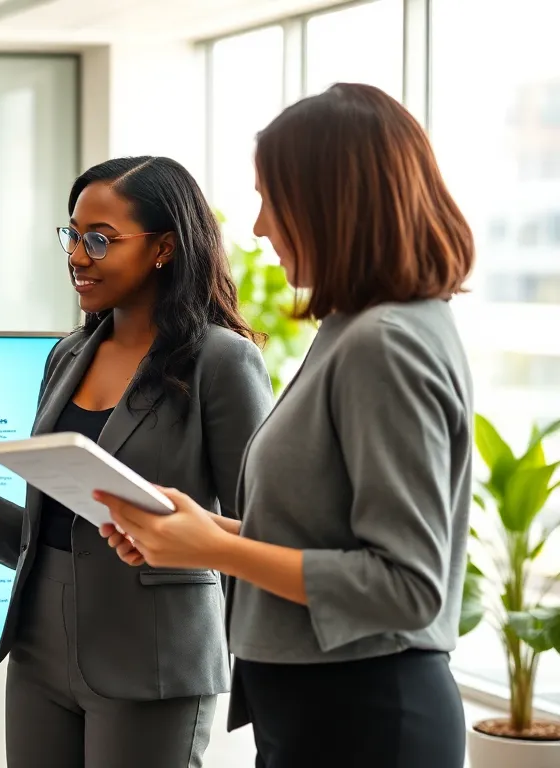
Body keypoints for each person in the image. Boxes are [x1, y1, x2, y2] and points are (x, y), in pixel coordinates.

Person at [95, 83, 475, 768]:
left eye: (272, 199)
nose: (259, 226)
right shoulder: (360, 327)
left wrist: (218, 551)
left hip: (364, 718)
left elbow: (406, 586)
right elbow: (327, 536)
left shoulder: (384, 342)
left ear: (333, 202)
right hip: (328, 708)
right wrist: (210, 533)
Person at [0, 156, 274, 767]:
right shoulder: (68, 354)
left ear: (163, 247)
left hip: (152, 658)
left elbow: (259, 534)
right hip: (40, 649)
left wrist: (274, 682)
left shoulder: (220, 361)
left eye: (99, 240)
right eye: (71, 236)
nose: (77, 256)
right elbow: (55, 533)